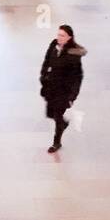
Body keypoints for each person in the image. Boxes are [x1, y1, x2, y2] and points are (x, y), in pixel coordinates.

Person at [39, 24, 86, 153]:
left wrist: (72, 96)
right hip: (50, 87)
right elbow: (46, 60)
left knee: (57, 115)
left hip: (63, 91)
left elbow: (78, 77)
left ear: (69, 38)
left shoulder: (73, 55)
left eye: (62, 35)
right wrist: (43, 75)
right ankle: (63, 123)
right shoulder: (53, 45)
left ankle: (56, 141)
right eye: (58, 34)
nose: (59, 37)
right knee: (50, 114)